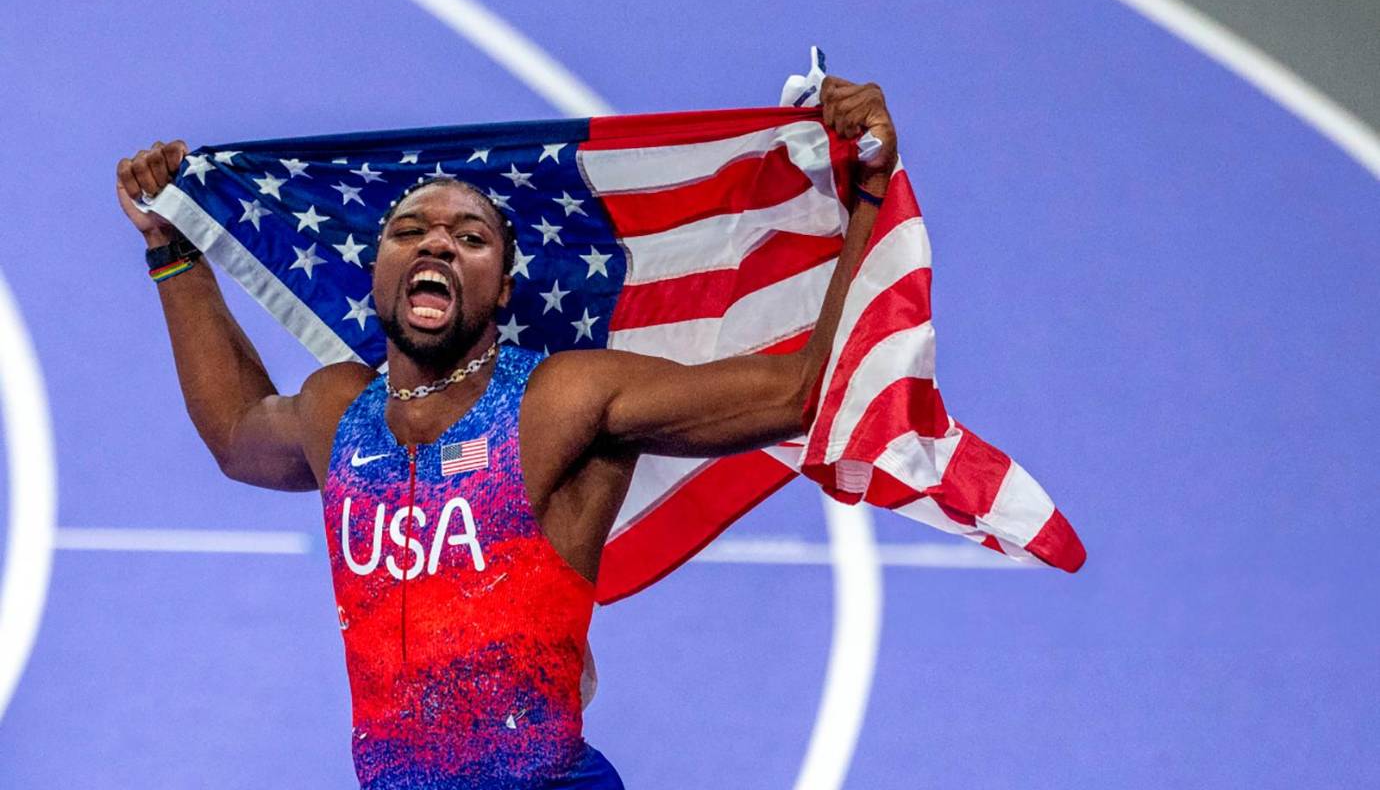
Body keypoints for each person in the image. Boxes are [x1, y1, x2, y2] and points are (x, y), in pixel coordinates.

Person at [115, 76, 898, 790]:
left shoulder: (560, 399)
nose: (437, 242)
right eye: (410, 231)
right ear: (378, 271)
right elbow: (234, 431)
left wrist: (866, 197)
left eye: (470, 237)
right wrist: (172, 250)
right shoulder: (338, 410)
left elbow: (798, 395)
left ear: (502, 289)